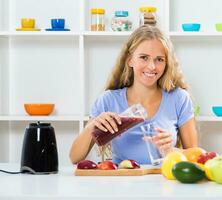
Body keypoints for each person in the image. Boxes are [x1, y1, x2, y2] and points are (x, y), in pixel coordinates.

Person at [69, 25, 198, 165]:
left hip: (164, 182)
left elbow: (195, 156)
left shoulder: (179, 99)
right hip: (123, 182)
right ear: (130, 60)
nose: (152, 66)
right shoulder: (108, 101)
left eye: (159, 59)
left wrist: (172, 151)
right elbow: (74, 158)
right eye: (144, 58)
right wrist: (92, 126)